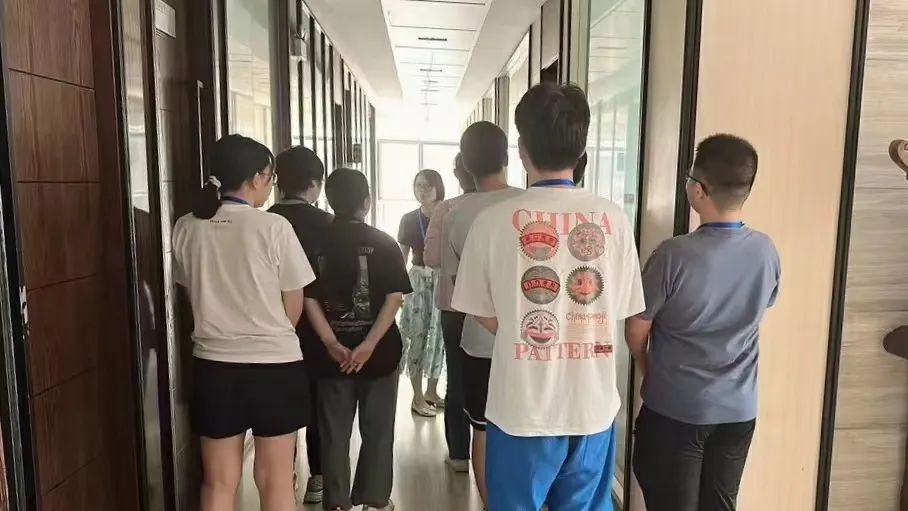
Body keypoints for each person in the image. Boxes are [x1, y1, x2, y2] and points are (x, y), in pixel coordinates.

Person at [452, 83, 645, 510]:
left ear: (521, 150)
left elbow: (484, 313)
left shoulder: (492, 221)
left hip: (521, 409)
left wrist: (526, 328)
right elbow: (619, 307)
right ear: (582, 150)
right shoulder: (614, 219)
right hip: (591, 408)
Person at [626, 134, 780, 511]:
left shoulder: (673, 255)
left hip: (677, 410)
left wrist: (649, 369)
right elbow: (758, 310)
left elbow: (636, 329)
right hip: (739, 411)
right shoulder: (766, 251)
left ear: (698, 190)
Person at [173, 135, 315, 511]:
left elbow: (190, 294)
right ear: (256, 178)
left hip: (214, 366)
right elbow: (294, 302)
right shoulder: (274, 227)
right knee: (276, 480)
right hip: (276, 367)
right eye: (270, 177)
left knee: (218, 482)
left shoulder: (186, 227)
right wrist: (270, 333)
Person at [303, 168, 412, 511]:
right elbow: (394, 298)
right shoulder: (384, 243)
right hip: (380, 355)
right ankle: (375, 499)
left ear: (329, 200)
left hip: (330, 358)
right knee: (378, 429)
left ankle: (336, 502)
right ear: (366, 202)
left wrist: (331, 343)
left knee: (333, 432)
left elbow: (308, 298)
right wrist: (368, 345)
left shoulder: (315, 244)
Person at [442, 121, 524, 503]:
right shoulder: (529, 203)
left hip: (479, 340)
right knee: (526, 429)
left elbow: (460, 287)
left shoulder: (456, 214)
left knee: (483, 430)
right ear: (508, 157)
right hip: (531, 340)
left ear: (465, 164)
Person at [268, 145, 331, 504]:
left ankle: (284, 476)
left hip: (273, 328)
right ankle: (318, 477)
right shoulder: (328, 224)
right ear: (315, 184)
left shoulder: (266, 221)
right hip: (319, 327)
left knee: (283, 406)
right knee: (320, 403)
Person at [423, 154, 477, 472]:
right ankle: (493, 449)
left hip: (456, 306)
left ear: (457, 174)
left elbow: (431, 258)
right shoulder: (511, 202)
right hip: (500, 307)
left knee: (457, 377)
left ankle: (459, 454)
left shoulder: (447, 209)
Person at [398, 169, 447, 417]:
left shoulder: (449, 214)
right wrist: (398, 292)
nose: (422, 190)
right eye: (418, 185)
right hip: (417, 280)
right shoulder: (409, 219)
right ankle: (417, 396)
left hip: (443, 278)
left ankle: (431, 391)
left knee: (440, 336)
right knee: (417, 335)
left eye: (428, 185)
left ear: (439, 187)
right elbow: (401, 257)